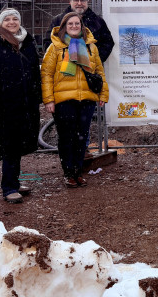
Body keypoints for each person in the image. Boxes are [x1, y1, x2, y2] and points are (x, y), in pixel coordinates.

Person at [0, 8, 42, 204]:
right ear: (1, 23)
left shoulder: (28, 43)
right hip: (5, 105)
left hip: (26, 103)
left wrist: (36, 97)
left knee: (21, 142)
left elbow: (34, 72)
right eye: (7, 19)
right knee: (10, 144)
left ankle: (14, 181)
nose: (12, 22)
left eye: (15, 19)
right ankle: (8, 187)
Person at [41, 12, 108, 188]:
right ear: (64, 27)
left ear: (81, 25)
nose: (74, 26)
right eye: (70, 24)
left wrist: (103, 94)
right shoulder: (55, 47)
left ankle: (78, 172)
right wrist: (48, 100)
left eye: (77, 23)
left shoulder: (91, 47)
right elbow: (46, 74)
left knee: (81, 137)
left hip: (86, 99)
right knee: (66, 138)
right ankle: (68, 172)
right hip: (64, 100)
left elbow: (99, 71)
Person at [47, 0, 115, 63]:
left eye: (82, 0)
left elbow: (108, 42)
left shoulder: (97, 21)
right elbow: (48, 42)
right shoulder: (58, 21)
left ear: (87, 1)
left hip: (90, 71)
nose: (79, 3)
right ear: (70, 1)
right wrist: (61, 59)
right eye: (76, 0)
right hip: (63, 69)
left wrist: (95, 60)